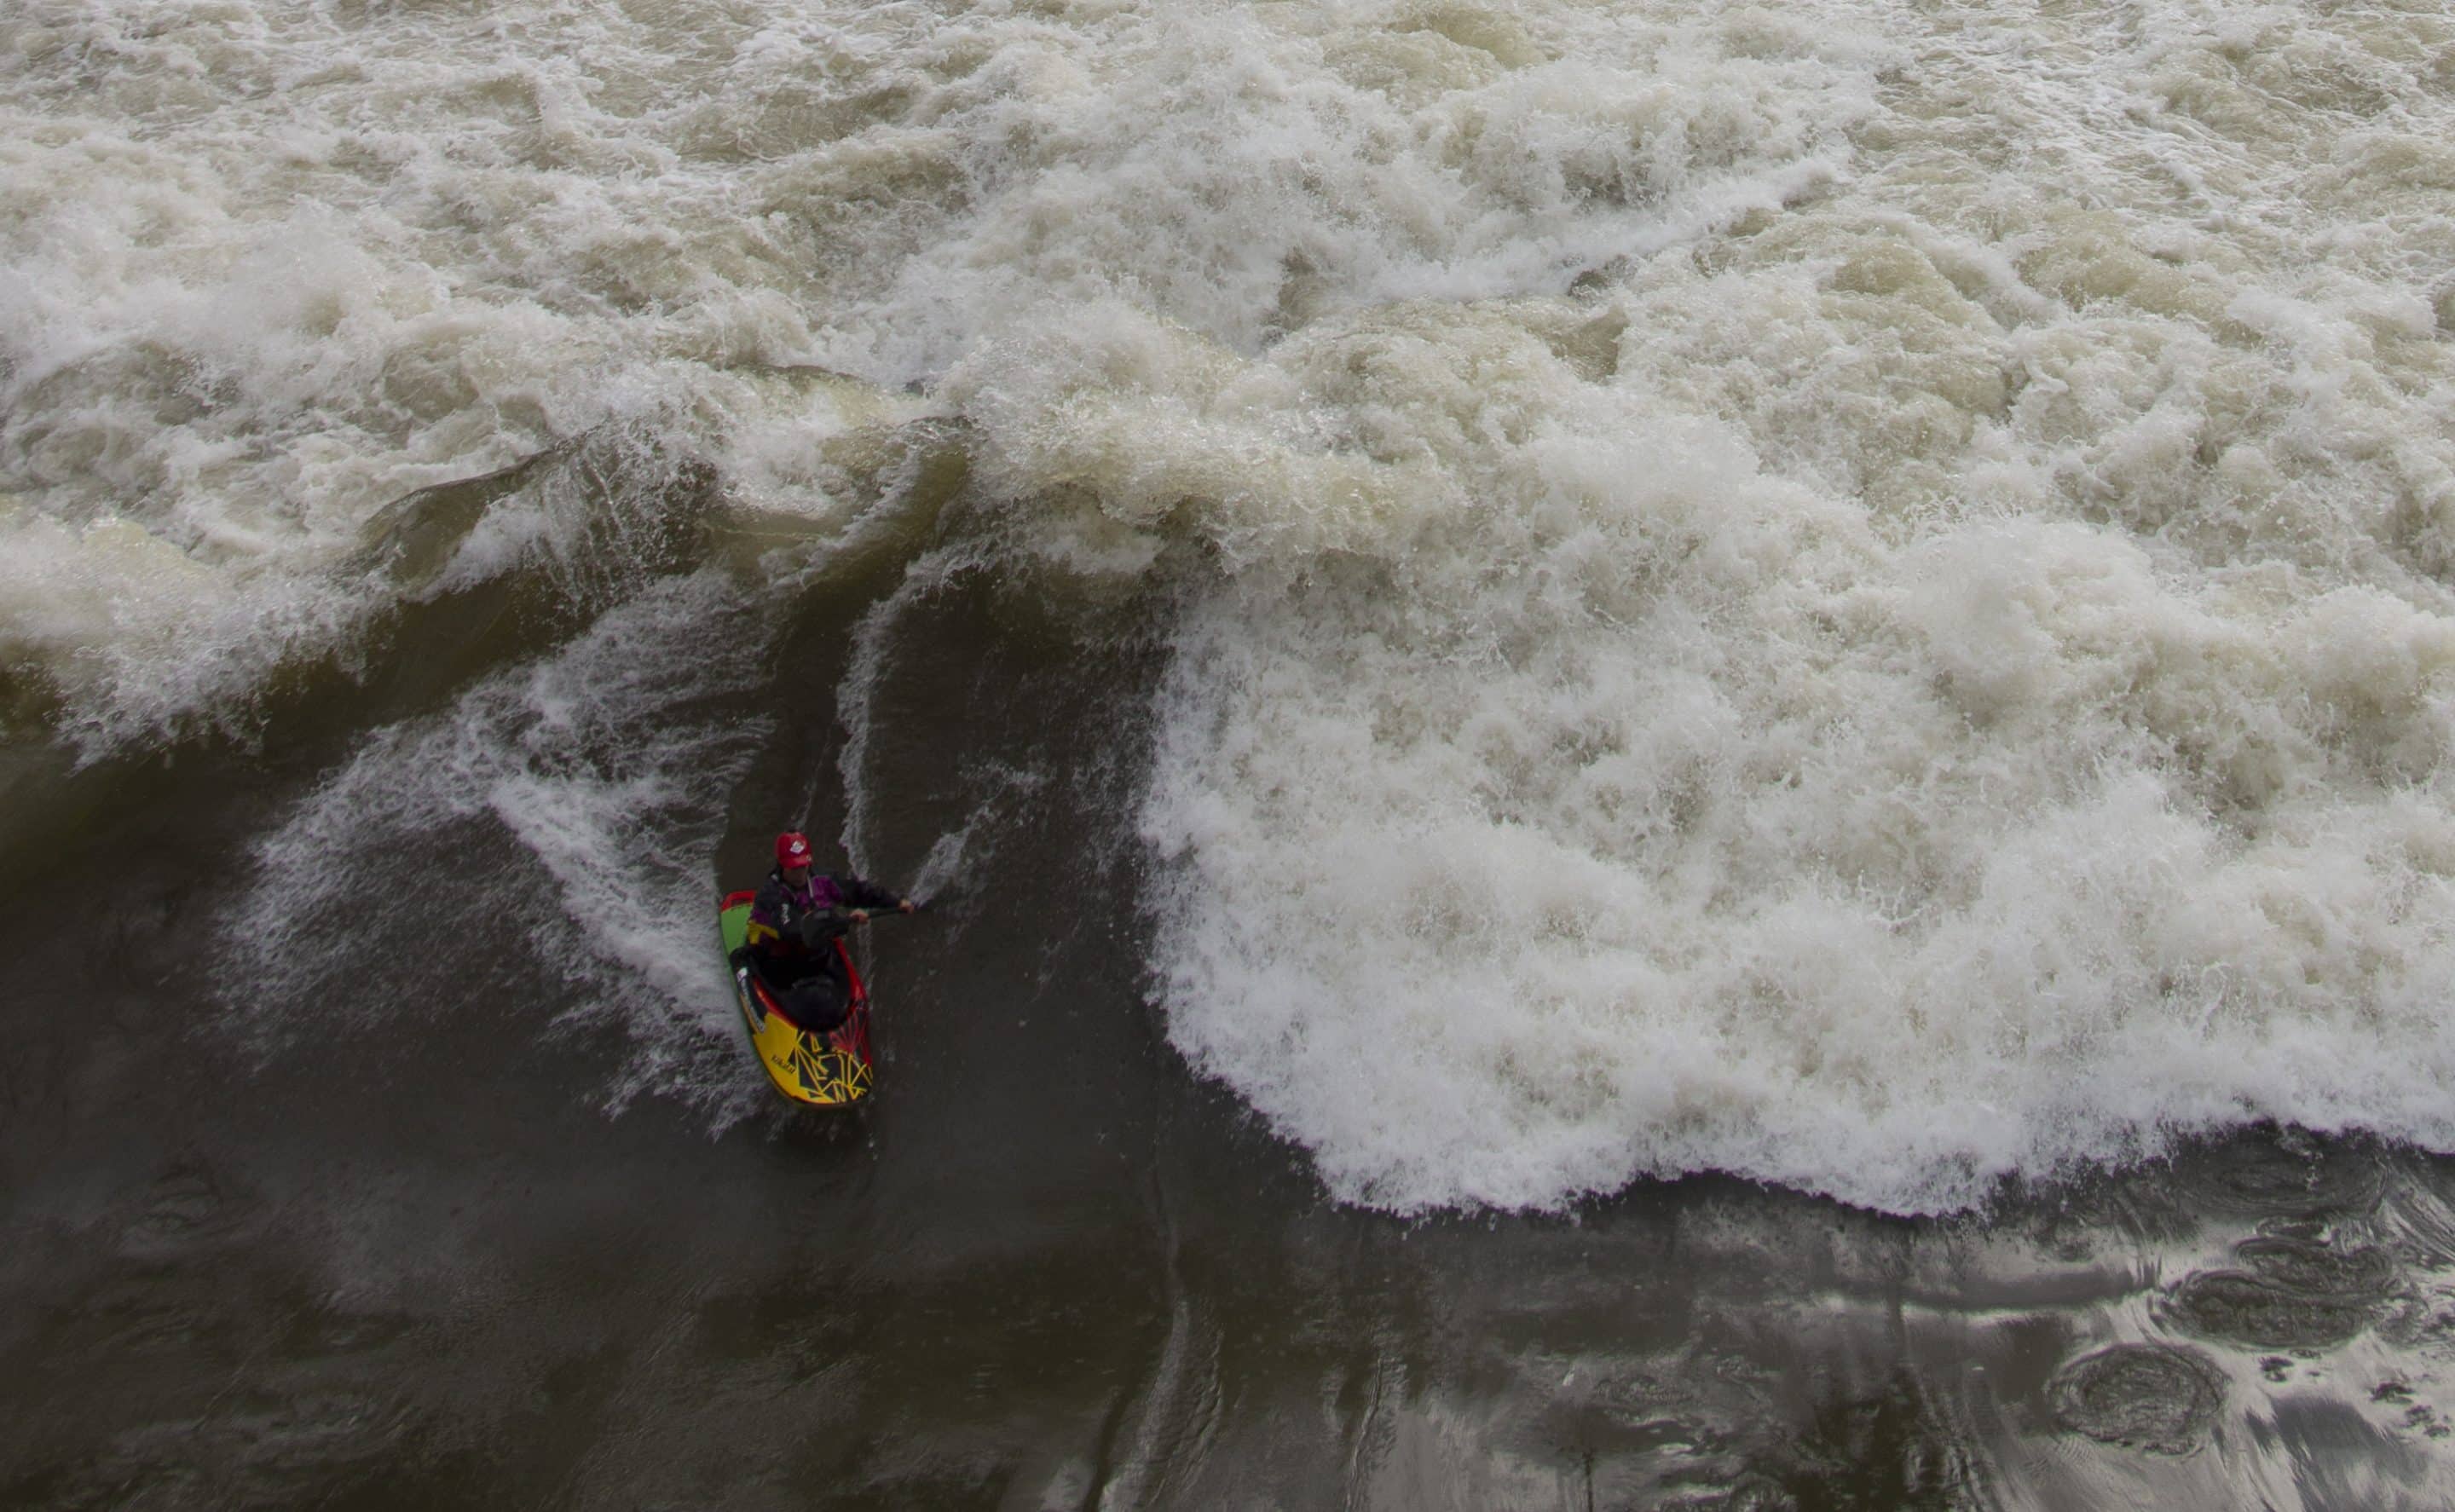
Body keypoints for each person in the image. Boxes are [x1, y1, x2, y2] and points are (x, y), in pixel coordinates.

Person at [740, 830, 914, 1035]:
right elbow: (793, 928)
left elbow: (858, 891)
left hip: (813, 959)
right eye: (794, 868)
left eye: (803, 866)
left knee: (826, 1004)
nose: (800, 873)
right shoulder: (772, 895)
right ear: (782, 865)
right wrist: (844, 921)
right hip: (778, 965)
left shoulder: (823, 881)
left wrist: (895, 902)